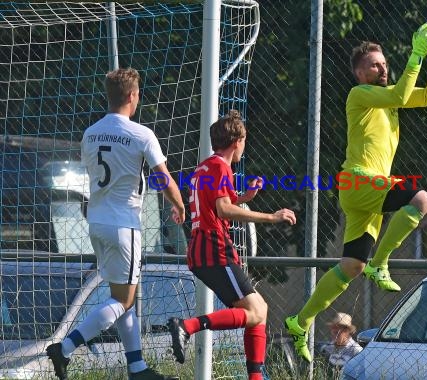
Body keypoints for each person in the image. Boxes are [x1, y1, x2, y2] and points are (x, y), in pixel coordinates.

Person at [285, 21, 427, 362]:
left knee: (350, 267)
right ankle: (381, 263)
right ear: (359, 73)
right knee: (420, 198)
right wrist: (418, 53)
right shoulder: (360, 94)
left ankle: (299, 321)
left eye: (384, 63)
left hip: (365, 192)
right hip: (360, 180)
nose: (382, 68)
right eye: (375, 64)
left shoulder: (389, 98)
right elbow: (399, 93)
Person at [47, 68, 186, 380]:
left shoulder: (91, 133)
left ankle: (137, 367)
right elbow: (162, 177)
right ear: (133, 96)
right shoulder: (141, 134)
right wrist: (179, 205)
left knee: (122, 296)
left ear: (108, 96)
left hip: (96, 222)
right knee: (123, 301)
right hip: (125, 224)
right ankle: (65, 348)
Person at [167, 110, 296, 380]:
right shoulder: (220, 167)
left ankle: (255, 377)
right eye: (245, 140)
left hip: (204, 249)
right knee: (255, 310)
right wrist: (271, 217)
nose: (244, 147)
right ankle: (188, 326)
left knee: (258, 310)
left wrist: (244, 196)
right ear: (237, 140)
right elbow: (223, 211)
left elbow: (217, 205)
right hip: (214, 248)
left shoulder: (204, 166)